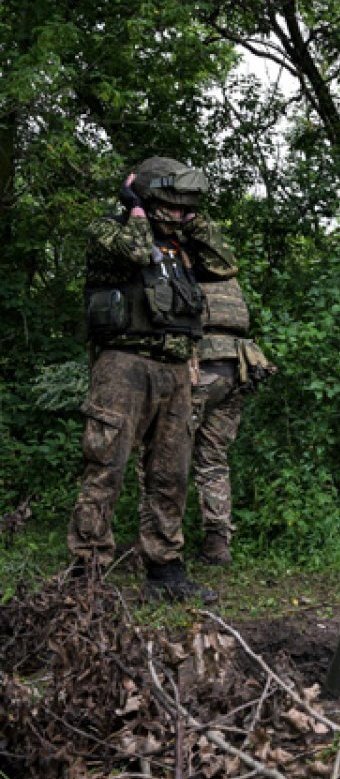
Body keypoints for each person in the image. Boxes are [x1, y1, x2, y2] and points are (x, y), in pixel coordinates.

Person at [67, 156, 237, 602]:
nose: (180, 215)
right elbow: (137, 253)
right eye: (173, 206)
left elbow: (224, 264)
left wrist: (193, 223)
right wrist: (135, 211)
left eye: (186, 208)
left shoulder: (182, 247)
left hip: (177, 370)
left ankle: (165, 567)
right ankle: (87, 569)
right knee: (107, 466)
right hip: (124, 367)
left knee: (170, 474)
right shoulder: (109, 231)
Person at [186, 275, 274, 566]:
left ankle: (158, 544)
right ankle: (217, 544)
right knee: (213, 460)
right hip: (236, 368)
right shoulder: (228, 278)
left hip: (200, 369)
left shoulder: (179, 271)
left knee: (163, 454)